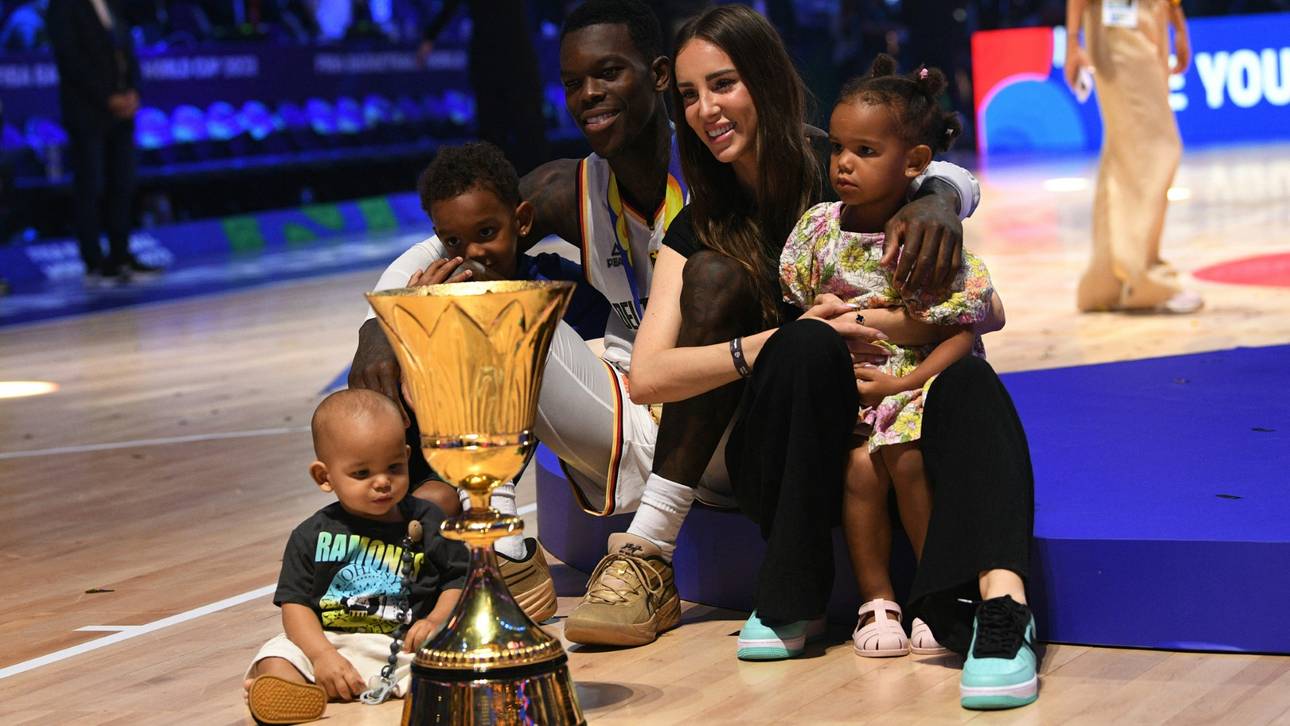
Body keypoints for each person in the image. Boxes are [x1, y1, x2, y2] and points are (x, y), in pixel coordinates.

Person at [351, 0, 979, 648]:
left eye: (609, 72)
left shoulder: (749, 156)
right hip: (641, 409)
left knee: (716, 283)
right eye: (572, 82)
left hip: (743, 421)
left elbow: (904, 168)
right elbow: (452, 236)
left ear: (654, 77)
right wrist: (377, 327)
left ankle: (649, 548)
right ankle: (507, 549)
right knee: (494, 303)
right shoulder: (569, 188)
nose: (589, 94)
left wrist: (941, 196)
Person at [627, 4, 1037, 710]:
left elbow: (936, 176)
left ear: (766, 80)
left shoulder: (838, 167)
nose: (705, 109)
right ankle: (791, 596)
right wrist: (780, 341)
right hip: (781, 441)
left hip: (896, 404)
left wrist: (941, 195)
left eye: (722, 84)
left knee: (969, 374)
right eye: (689, 95)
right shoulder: (701, 222)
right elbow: (647, 376)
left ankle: (1001, 607)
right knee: (808, 341)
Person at [777, 56, 1001, 662]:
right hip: (850, 387)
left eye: (866, 151)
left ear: (916, 164)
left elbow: (962, 328)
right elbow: (799, 309)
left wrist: (905, 380)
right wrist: (822, 310)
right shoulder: (820, 229)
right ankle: (877, 600)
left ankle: (937, 591)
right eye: (840, 148)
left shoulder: (924, 237)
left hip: (913, 386)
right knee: (856, 468)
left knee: (905, 458)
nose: (843, 164)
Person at [243, 389, 467, 725]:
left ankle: (435, 689)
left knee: (452, 655)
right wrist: (321, 655)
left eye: (393, 467)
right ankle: (281, 689)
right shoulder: (310, 535)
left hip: (402, 646)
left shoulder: (428, 520)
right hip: (330, 642)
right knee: (278, 653)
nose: (382, 482)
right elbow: (296, 606)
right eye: (362, 474)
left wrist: (435, 622)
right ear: (324, 477)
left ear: (407, 457)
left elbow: (458, 580)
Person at [1065, 0, 1201, 314]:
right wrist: (1072, 43)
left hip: (1152, 13)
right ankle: (1145, 279)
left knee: (1124, 151)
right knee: (1156, 147)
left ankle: (1106, 284)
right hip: (1116, 22)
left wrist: (1176, 20)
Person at [46, 0, 161, 285]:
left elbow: (126, 51)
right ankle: (94, 261)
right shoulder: (63, 7)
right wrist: (106, 97)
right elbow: (71, 61)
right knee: (90, 186)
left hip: (122, 113)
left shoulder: (113, 5)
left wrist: (133, 90)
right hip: (87, 112)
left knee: (122, 183)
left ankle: (121, 255)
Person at [419, 0, 550, 175]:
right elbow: (450, 6)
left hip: (513, 54)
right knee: (495, 127)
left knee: (526, 125)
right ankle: (496, 186)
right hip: (493, 55)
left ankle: (535, 184)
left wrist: (430, 37)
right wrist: (430, 37)